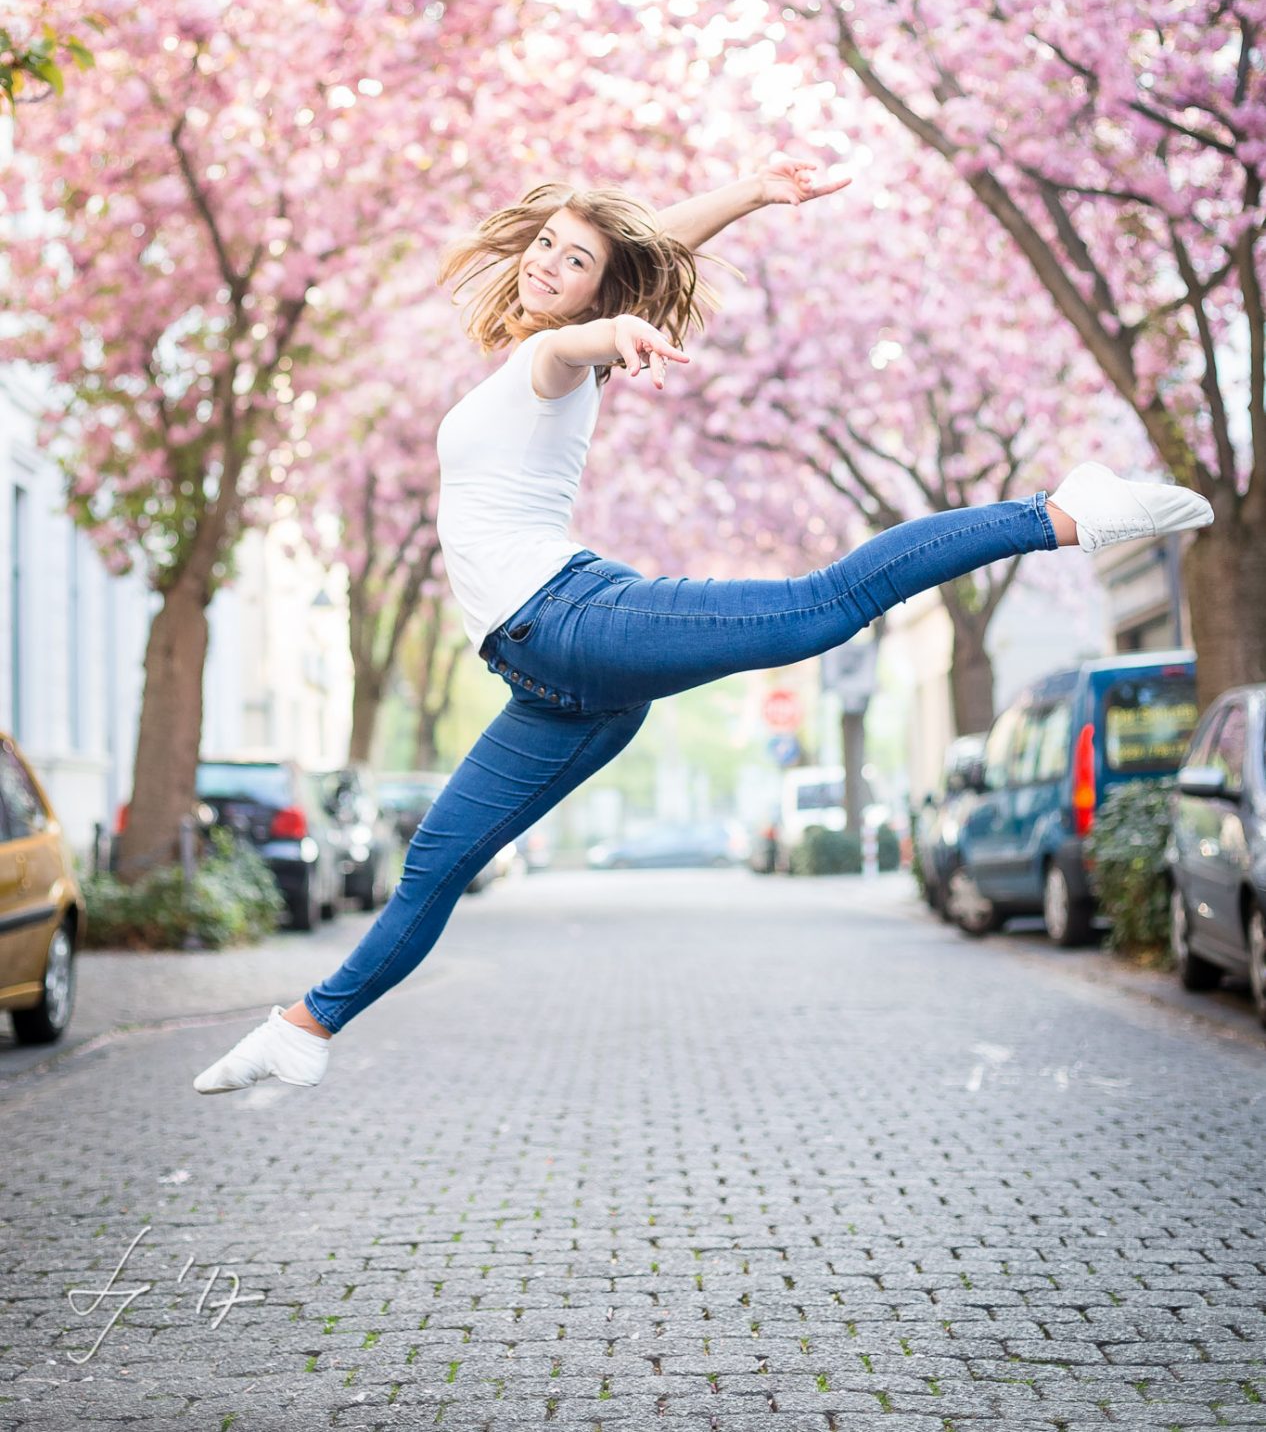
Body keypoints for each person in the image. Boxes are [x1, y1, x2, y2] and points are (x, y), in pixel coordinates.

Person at [194, 166, 1214, 1093]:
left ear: (602, 294)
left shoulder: (560, 352)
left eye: (577, 261)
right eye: (547, 242)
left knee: (821, 606)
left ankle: (1060, 514)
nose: (551, 262)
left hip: (573, 622)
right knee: (436, 861)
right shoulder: (531, 348)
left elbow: (592, 321)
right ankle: (306, 1025)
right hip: (550, 681)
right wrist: (753, 189)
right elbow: (650, 244)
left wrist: (614, 334)